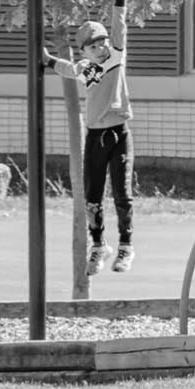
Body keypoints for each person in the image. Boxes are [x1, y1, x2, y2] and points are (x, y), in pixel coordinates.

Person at [46, 20, 134, 273]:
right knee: (93, 195)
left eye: (102, 43)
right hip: (96, 137)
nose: (99, 48)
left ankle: (126, 246)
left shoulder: (115, 59)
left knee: (122, 193)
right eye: (92, 46)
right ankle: (98, 246)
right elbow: (70, 69)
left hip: (119, 134)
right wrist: (49, 60)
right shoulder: (89, 69)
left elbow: (120, 30)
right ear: (84, 51)